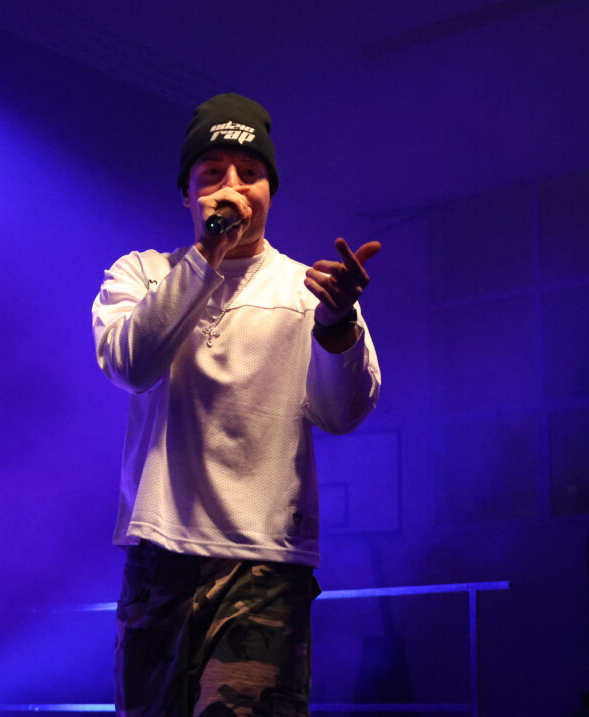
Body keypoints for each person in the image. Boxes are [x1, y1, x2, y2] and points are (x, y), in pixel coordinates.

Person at [91, 92, 381, 716]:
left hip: (264, 565)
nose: (232, 188)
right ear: (186, 193)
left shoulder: (308, 291)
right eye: (212, 173)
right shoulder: (142, 274)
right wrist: (206, 258)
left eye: (250, 173)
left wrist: (337, 326)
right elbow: (129, 365)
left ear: (271, 191)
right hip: (159, 556)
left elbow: (343, 413)